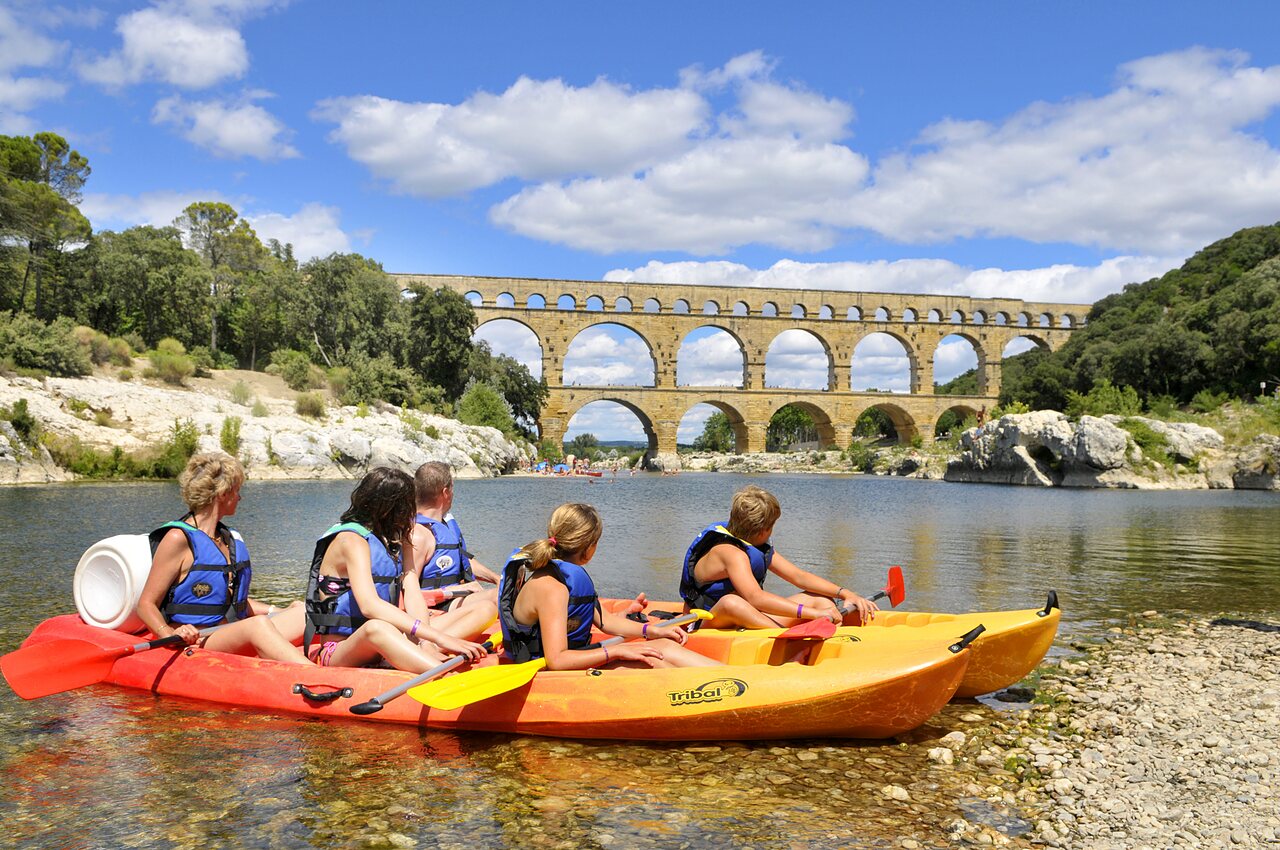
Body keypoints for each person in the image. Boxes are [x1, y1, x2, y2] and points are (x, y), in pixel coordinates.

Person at [303, 467, 494, 672]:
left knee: (486, 608)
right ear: (389, 509)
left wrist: (426, 642)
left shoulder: (393, 540)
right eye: (406, 508)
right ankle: (447, 677)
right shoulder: (351, 541)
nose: (411, 515)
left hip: (388, 639)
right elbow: (369, 607)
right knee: (376, 627)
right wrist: (440, 637)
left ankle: (418, 654)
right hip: (342, 649)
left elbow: (412, 592)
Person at [136, 452, 312, 665]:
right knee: (257, 625)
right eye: (237, 491)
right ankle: (317, 675)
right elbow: (146, 604)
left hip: (231, 630)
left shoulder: (227, 538)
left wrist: (278, 610)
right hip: (200, 640)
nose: (240, 497)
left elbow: (234, 602)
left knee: (305, 611)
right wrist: (167, 633)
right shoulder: (178, 538)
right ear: (222, 494)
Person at [499, 502, 719, 670]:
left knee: (663, 647)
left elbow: (606, 621)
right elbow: (557, 660)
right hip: (545, 670)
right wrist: (616, 652)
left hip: (573, 657)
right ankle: (714, 696)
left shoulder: (565, 576)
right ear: (588, 548)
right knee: (651, 660)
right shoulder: (551, 588)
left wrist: (648, 630)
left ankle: (732, 677)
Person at [679, 485, 879, 630]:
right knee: (732, 602)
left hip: (750, 617)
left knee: (820, 599)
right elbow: (755, 598)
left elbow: (798, 577)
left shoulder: (753, 545)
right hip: (705, 622)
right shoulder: (731, 553)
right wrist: (813, 614)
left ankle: (836, 638)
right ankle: (783, 636)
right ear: (763, 531)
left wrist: (844, 593)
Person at [411, 461, 499, 611]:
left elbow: (461, 561)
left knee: (506, 592)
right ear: (445, 493)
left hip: (453, 600)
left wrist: (497, 578)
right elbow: (408, 593)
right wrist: (455, 592)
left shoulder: (444, 525)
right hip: (434, 608)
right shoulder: (418, 534)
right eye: (452, 489)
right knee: (499, 598)